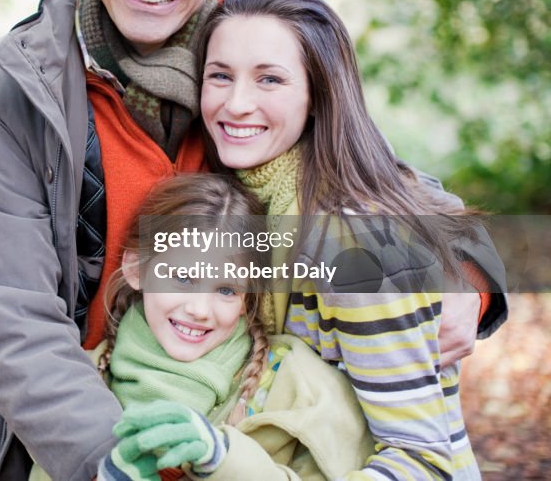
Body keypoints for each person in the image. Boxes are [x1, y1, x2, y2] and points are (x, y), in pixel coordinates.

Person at [0, 0, 505, 481]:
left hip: (255, 432)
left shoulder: (255, 44)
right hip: (83, 431)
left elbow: (372, 171)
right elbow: (6, 310)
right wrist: (110, 462)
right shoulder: (7, 88)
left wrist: (466, 276)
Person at [111, 0, 506, 479]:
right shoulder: (241, 194)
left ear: (318, 96)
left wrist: (471, 280)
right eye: (220, 76)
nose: (236, 104)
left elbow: (426, 463)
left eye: (270, 80)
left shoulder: (355, 250)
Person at [32, 173, 374, 481]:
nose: (199, 310)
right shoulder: (85, 381)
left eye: (226, 290)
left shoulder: (295, 383)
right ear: (137, 268)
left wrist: (223, 460)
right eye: (182, 277)